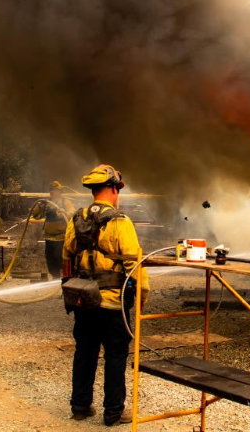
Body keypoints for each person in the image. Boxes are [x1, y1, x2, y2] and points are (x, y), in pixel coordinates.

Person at [62, 164, 149, 426]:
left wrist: (68, 291)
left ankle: (80, 406)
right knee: (115, 355)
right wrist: (142, 296)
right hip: (112, 303)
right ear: (113, 189)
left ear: (93, 190)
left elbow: (66, 257)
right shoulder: (120, 222)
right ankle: (112, 413)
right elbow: (135, 265)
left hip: (83, 300)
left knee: (85, 352)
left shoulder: (76, 218)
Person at [29, 180, 75, 280]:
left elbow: (72, 213)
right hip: (49, 236)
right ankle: (55, 277)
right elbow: (36, 216)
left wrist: (64, 213)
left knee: (60, 258)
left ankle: (65, 277)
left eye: (54, 190)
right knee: (50, 259)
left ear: (59, 191)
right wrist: (38, 207)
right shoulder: (47, 203)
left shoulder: (65, 202)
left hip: (61, 237)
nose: (52, 192)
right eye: (51, 190)